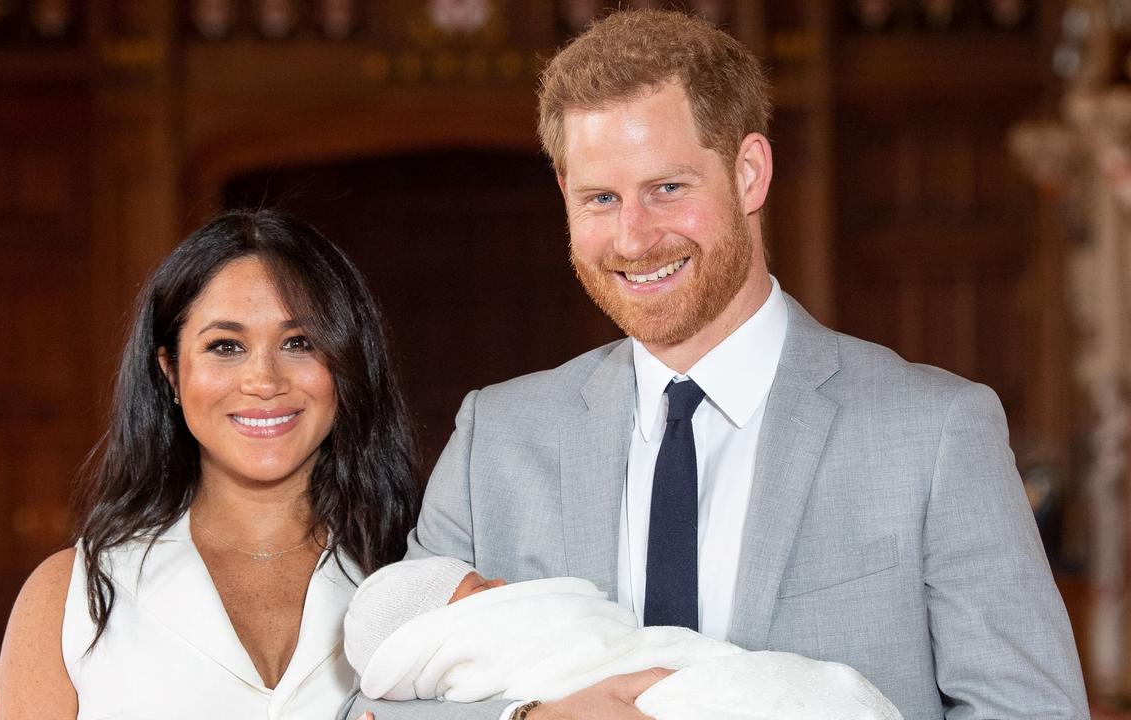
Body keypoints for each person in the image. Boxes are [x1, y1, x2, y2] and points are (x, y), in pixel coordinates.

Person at [347, 9, 1087, 720]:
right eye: (600, 198)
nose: (634, 239)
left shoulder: (934, 433)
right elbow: (379, 703)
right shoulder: (497, 439)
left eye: (667, 188)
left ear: (749, 174)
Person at [0, 209, 421, 719]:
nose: (264, 381)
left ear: (349, 362)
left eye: (299, 343)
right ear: (170, 373)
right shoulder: (70, 598)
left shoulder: (419, 575)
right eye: (226, 346)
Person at [342, 557, 902, 720]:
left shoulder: (943, 418)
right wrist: (533, 719)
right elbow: (373, 709)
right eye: (483, 587)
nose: (504, 585)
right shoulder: (487, 429)